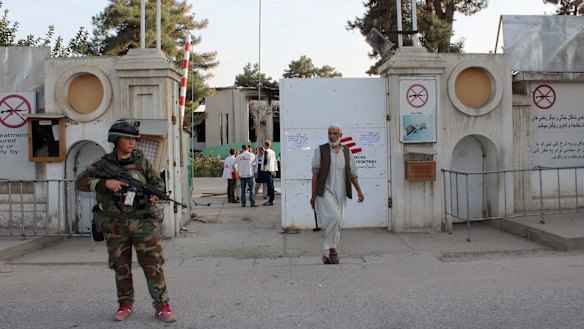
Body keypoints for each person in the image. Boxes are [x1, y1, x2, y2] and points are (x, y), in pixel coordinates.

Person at [76, 120, 177, 322]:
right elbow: (80, 182)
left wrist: (155, 194)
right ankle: (125, 304)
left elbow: (157, 182)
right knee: (121, 267)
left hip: (143, 222)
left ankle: (162, 306)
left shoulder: (142, 162)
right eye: (128, 138)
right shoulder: (103, 164)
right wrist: (105, 183)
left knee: (153, 264)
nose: (132, 143)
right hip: (116, 224)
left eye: (134, 139)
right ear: (116, 140)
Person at [310, 123, 364, 265]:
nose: (332, 136)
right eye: (329, 133)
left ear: (340, 135)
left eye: (335, 133)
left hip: (341, 192)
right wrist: (313, 195)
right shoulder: (320, 150)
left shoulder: (347, 151)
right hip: (325, 192)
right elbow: (315, 174)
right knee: (334, 218)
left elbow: (353, 174)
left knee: (337, 223)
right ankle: (331, 250)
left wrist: (359, 191)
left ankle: (326, 255)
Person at [262, 140, 278, 206]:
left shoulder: (266, 151)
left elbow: (265, 160)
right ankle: (272, 199)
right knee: (271, 186)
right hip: (272, 169)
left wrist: (263, 167)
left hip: (267, 170)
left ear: (265, 145)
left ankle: (270, 200)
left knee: (269, 186)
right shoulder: (273, 151)